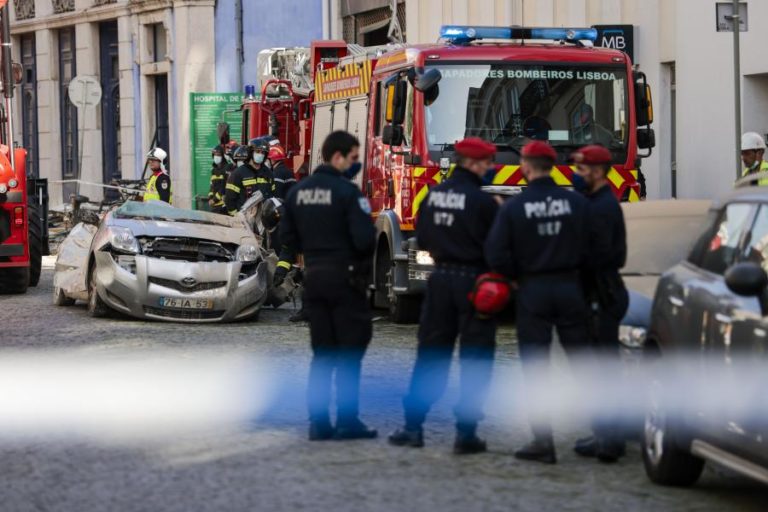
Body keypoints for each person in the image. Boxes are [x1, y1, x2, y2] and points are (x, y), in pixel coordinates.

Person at [388, 138, 500, 454]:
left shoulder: (434, 197)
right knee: (476, 357)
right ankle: (466, 434)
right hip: (474, 283)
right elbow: (495, 246)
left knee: (431, 355)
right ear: (474, 164)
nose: (489, 168)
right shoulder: (483, 203)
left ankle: (413, 427)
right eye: (487, 163)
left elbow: (421, 237)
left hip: (439, 281)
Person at [485, 141, 590, 464]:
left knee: (535, 365)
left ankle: (543, 442)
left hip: (533, 290)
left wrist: (516, 276)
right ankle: (603, 434)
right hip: (571, 288)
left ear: (525, 168)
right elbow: (592, 245)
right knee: (583, 363)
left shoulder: (515, 208)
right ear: (554, 166)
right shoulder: (575, 202)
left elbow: (496, 253)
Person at [279, 130, 377, 441]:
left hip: (315, 280)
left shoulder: (297, 193)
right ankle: (348, 421)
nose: (355, 165)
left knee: (322, 354)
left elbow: (286, 239)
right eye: (353, 159)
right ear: (338, 157)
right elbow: (365, 240)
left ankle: (319, 423)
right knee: (349, 353)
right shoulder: (348, 194)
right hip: (346, 280)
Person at [571, 145, 629, 463]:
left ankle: (609, 440)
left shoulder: (601, 207)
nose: (577, 176)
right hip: (598, 292)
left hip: (600, 295)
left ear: (595, 172)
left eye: (581, 171)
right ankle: (603, 433)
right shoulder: (597, 202)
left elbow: (603, 256)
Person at [224, 139, 274, 215]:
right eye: (257, 152)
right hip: (243, 219)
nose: (260, 155)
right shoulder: (238, 173)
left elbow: (273, 195)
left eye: (263, 153)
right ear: (251, 153)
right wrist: (236, 216)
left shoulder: (268, 173)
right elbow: (229, 198)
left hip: (262, 221)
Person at [208, 145, 232, 215]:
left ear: (223, 156)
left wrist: (214, 199)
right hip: (214, 205)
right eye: (215, 155)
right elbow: (212, 186)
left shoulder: (227, 168)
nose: (216, 157)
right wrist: (210, 198)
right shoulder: (213, 170)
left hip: (223, 204)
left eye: (218, 155)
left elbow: (224, 187)